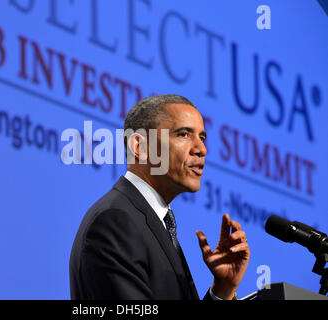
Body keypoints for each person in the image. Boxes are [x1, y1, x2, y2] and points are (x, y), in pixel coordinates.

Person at [69, 94, 250, 300]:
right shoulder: (115, 222)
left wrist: (222, 291)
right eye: (183, 134)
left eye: (202, 138)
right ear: (140, 147)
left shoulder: (154, 222)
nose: (201, 149)